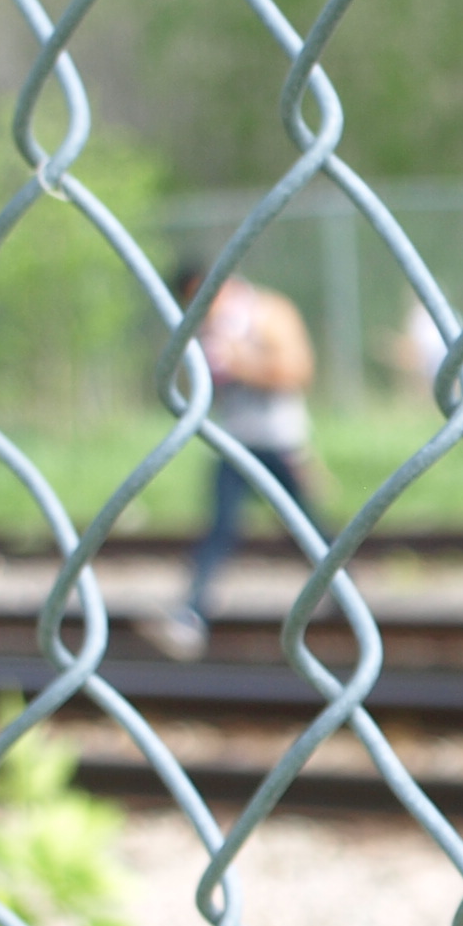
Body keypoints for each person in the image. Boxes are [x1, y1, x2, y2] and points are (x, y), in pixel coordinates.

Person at [150, 259, 323, 659]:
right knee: (219, 529)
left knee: (308, 528)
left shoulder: (267, 312)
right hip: (235, 441)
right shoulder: (204, 328)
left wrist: (240, 360)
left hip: (280, 440)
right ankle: (191, 614)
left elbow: (296, 371)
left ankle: (348, 598)